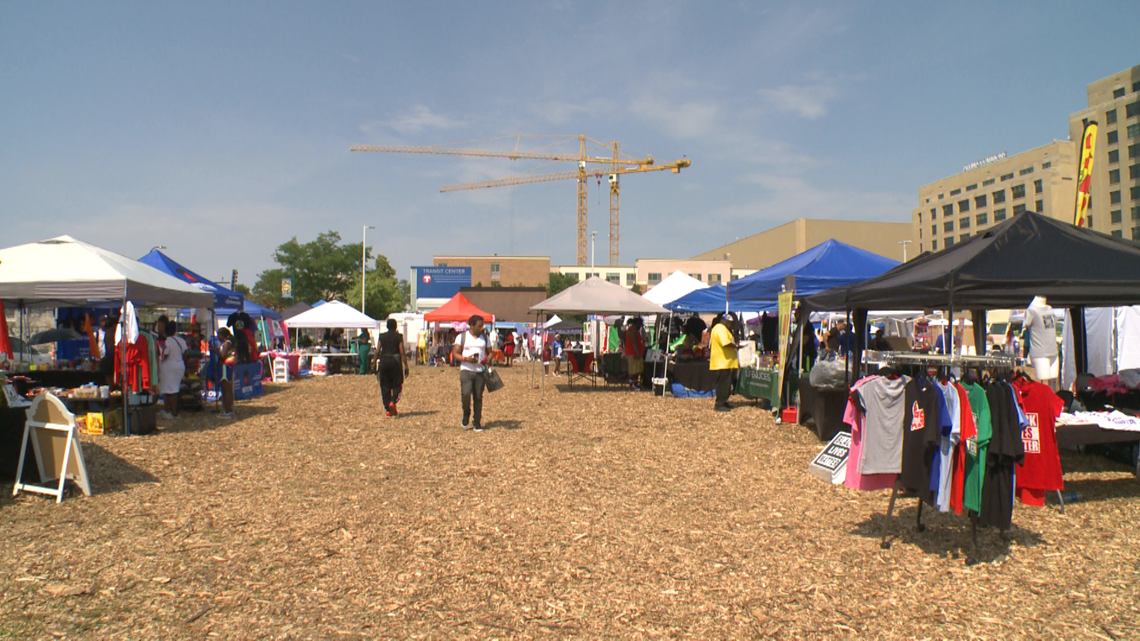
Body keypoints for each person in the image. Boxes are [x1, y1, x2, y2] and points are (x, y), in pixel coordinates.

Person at [452, 314, 490, 431]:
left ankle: (477, 422)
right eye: (479, 326)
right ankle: (466, 414)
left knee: (478, 397)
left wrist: (488, 359)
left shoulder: (485, 337)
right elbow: (455, 353)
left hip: (480, 371)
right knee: (466, 393)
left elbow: (491, 351)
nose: (481, 328)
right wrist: (466, 359)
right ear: (472, 325)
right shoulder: (462, 337)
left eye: (482, 325)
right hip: (466, 369)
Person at [373, 319, 409, 417]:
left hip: (384, 361)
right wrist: (406, 366)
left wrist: (374, 364)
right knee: (397, 384)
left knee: (385, 386)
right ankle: (392, 402)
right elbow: (402, 352)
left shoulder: (382, 336)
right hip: (395, 362)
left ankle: (388, 409)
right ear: (396, 326)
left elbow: (377, 351)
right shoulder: (398, 337)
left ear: (387, 326)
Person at [709, 313, 739, 412]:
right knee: (723, 384)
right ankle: (719, 404)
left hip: (722, 362)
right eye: (730, 323)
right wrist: (735, 346)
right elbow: (725, 343)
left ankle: (723, 401)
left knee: (724, 384)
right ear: (725, 321)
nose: (730, 325)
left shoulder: (717, 328)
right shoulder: (721, 329)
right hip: (722, 362)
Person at [158, 321, 187, 420]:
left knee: (171, 390)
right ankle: (168, 410)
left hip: (168, 367)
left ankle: (173, 412)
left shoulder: (167, 341)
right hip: (179, 365)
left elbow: (165, 355)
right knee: (171, 389)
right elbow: (185, 352)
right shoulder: (181, 340)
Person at [215, 327, 236, 418]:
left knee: (226, 389)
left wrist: (216, 351)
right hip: (227, 367)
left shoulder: (226, 344)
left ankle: (228, 410)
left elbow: (223, 356)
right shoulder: (228, 343)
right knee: (228, 390)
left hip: (224, 367)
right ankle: (229, 409)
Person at [623, 317, 645, 390]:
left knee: (636, 369)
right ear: (637, 323)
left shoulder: (635, 330)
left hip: (635, 352)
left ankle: (635, 383)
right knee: (632, 369)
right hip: (632, 352)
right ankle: (632, 384)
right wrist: (637, 352)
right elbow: (633, 342)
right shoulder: (632, 330)